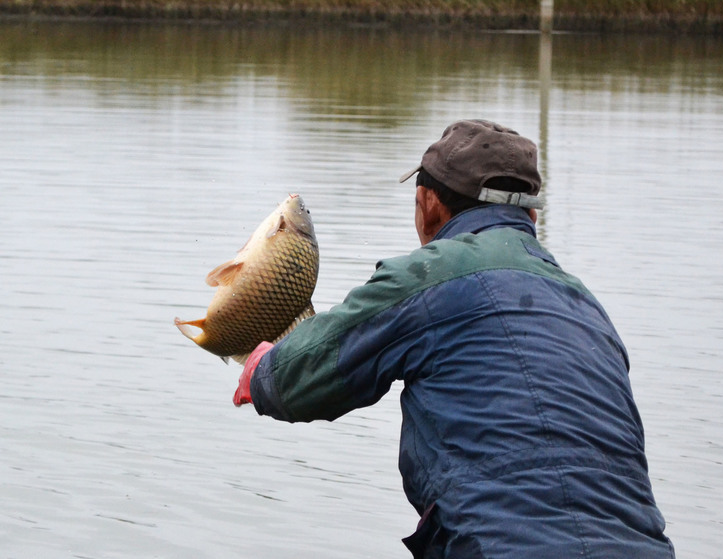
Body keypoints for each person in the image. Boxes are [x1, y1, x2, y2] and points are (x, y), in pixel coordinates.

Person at [233, 119, 676, 558]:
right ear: (531, 216)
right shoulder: (587, 307)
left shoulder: (430, 274)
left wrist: (261, 371)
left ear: (428, 205)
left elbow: (300, 377)